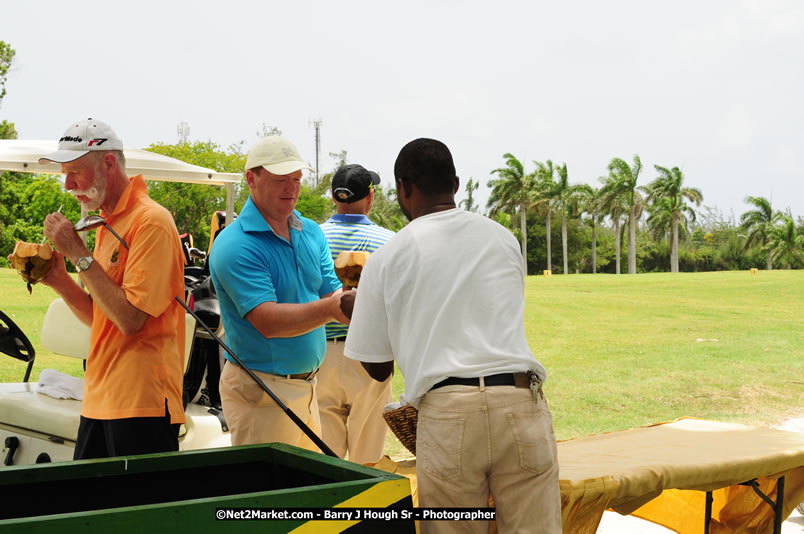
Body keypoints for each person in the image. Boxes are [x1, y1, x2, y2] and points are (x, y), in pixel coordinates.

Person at [343, 138, 562, 533]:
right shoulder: (503, 239)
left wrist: (358, 312)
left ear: (404, 188)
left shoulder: (391, 255)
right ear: (456, 184)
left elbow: (377, 368)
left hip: (447, 414)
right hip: (519, 401)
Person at [37, 118, 186, 460]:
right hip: (101, 399)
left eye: (74, 171)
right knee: (88, 509)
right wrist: (59, 279)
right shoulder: (106, 223)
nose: (67, 184)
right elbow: (103, 316)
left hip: (142, 404)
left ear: (108, 162)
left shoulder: (151, 221)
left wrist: (78, 252)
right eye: (64, 172)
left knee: (138, 512)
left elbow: (131, 319)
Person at [209, 135, 349, 451]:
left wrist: (353, 299)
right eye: (281, 179)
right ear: (251, 179)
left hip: (309, 386)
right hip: (261, 392)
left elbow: (331, 291)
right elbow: (267, 321)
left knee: (307, 491)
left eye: (297, 179)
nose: (292, 188)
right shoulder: (235, 244)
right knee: (268, 494)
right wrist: (332, 309)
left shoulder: (310, 231)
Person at [318, 164, 396, 464]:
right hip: (370, 355)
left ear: (335, 197)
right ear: (370, 197)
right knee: (368, 459)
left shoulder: (312, 238)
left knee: (326, 459)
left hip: (320, 353)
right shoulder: (390, 242)